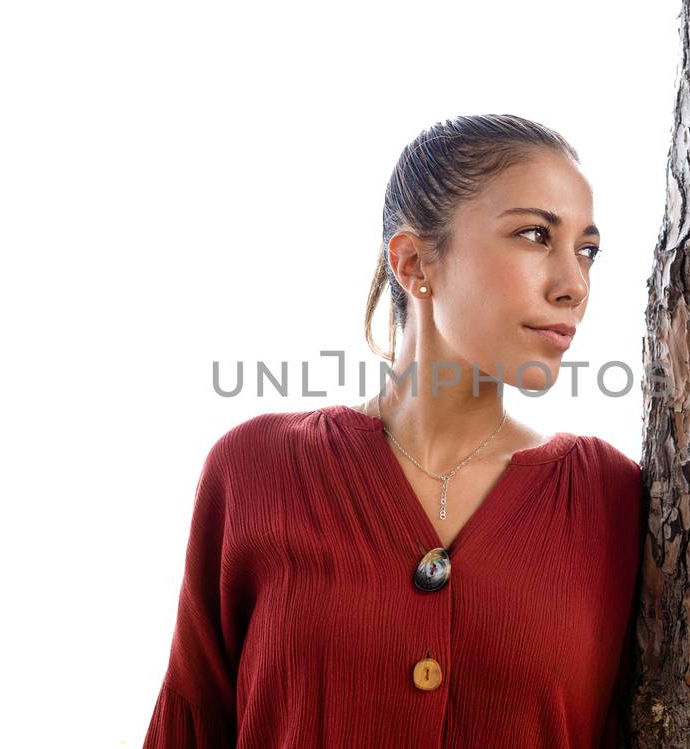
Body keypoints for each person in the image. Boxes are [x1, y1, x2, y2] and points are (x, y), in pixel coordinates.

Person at [141, 114, 645, 748]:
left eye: (587, 250)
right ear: (413, 263)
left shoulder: (613, 500)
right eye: (535, 234)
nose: (574, 285)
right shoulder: (257, 469)